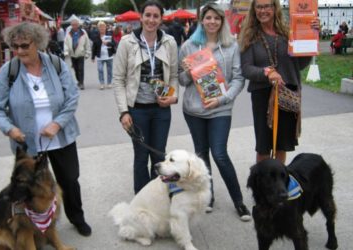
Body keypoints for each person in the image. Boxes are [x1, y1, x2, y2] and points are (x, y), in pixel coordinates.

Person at [0, 22, 92, 237]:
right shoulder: (9, 71)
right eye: (15, 47)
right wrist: (9, 129)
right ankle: (34, 228)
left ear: (38, 43)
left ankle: (77, 218)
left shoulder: (56, 64)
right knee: (30, 187)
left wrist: (57, 123)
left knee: (70, 180)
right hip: (27, 142)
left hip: (60, 137)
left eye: (25, 45)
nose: (20, 51)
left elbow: (72, 97)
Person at [179, 2, 250, 220]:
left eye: (216, 18)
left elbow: (238, 78)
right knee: (201, 154)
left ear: (222, 21)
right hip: (194, 110)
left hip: (220, 108)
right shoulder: (189, 46)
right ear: (202, 21)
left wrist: (223, 99)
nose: (212, 22)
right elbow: (181, 81)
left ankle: (238, 201)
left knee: (219, 153)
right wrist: (189, 72)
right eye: (208, 18)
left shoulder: (231, 46)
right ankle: (208, 197)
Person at [239, 0, 319, 163]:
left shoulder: (287, 32)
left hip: (287, 92)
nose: (263, 10)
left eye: (267, 6)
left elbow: (299, 64)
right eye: (259, 7)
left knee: (282, 144)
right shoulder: (249, 36)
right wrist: (267, 72)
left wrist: (311, 37)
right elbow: (246, 69)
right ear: (254, 10)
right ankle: (262, 184)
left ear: (275, 8)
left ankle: (278, 183)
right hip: (262, 95)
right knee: (264, 145)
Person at [113, 0, 179, 194]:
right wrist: (123, 111)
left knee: (159, 156)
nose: (151, 20)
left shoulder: (169, 42)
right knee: (141, 157)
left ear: (161, 19)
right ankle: (142, 198)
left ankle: (159, 196)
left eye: (155, 16)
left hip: (161, 110)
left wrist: (172, 98)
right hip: (137, 110)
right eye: (147, 15)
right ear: (141, 17)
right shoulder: (127, 42)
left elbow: (174, 76)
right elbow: (118, 80)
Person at [64, 19, 91, 90]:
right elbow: (66, 43)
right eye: (73, 25)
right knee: (76, 69)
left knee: (80, 69)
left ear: (78, 25)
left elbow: (87, 43)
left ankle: (82, 83)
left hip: (81, 53)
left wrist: (88, 52)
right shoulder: (69, 33)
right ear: (71, 25)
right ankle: (79, 81)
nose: (74, 26)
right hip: (73, 54)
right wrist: (66, 51)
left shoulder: (83, 33)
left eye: (76, 25)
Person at [92, 21, 116, 90]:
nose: (102, 28)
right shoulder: (96, 37)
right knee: (100, 70)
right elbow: (94, 47)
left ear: (105, 28)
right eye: (100, 27)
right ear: (98, 28)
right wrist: (93, 57)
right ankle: (102, 83)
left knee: (109, 71)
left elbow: (114, 44)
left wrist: (107, 43)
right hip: (100, 56)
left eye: (103, 27)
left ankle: (109, 83)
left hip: (109, 56)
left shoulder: (109, 35)